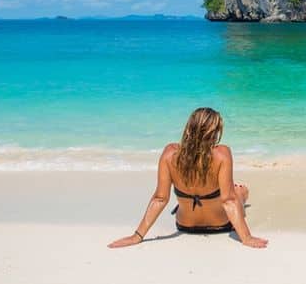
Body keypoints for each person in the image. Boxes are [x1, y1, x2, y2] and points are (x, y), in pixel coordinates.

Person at [108, 107, 268, 249]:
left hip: (185, 225)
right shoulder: (222, 154)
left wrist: (137, 236)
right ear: (214, 132)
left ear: (189, 128)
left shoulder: (170, 153)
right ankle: (239, 192)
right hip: (221, 225)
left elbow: (160, 199)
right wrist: (246, 237)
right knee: (239, 191)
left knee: (224, 192)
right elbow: (228, 201)